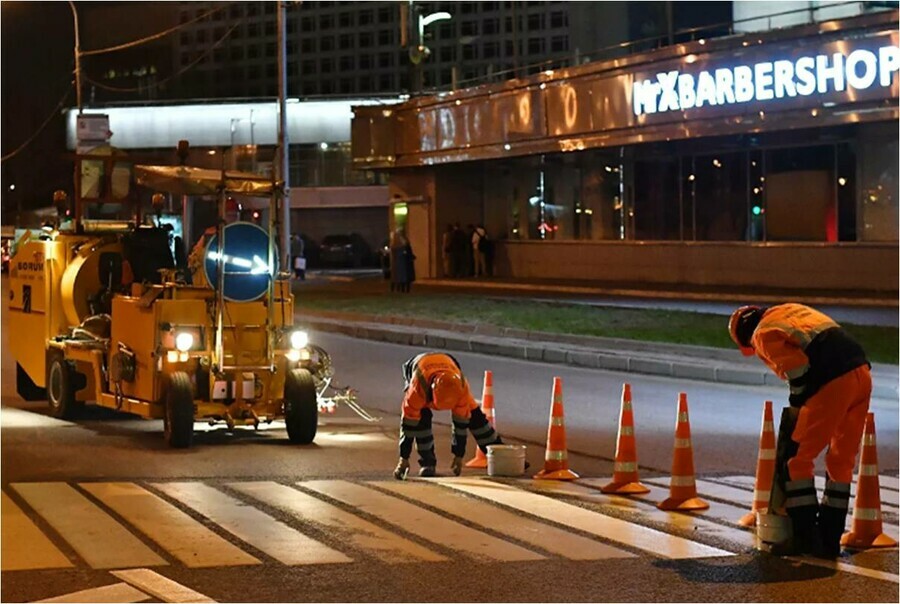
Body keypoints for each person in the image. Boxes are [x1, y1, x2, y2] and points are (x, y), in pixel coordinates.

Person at [728, 303, 871, 558]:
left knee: (797, 460)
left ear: (745, 338)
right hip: (861, 371)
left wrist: (797, 409)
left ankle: (805, 538)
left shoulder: (762, 334)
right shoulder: (789, 310)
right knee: (841, 460)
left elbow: (799, 373)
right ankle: (829, 539)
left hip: (833, 380)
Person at [393, 352, 504, 479]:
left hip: (449, 363)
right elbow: (408, 426)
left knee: (476, 418)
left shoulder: (461, 388)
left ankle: (503, 458)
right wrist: (403, 458)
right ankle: (427, 463)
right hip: (418, 366)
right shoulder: (417, 389)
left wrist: (458, 456)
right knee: (420, 421)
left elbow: (460, 425)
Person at [389, 229, 415, 293]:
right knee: (400, 276)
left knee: (402, 276)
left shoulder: (401, 243)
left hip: (403, 262)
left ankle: (401, 289)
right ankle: (400, 289)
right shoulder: (398, 243)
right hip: (400, 262)